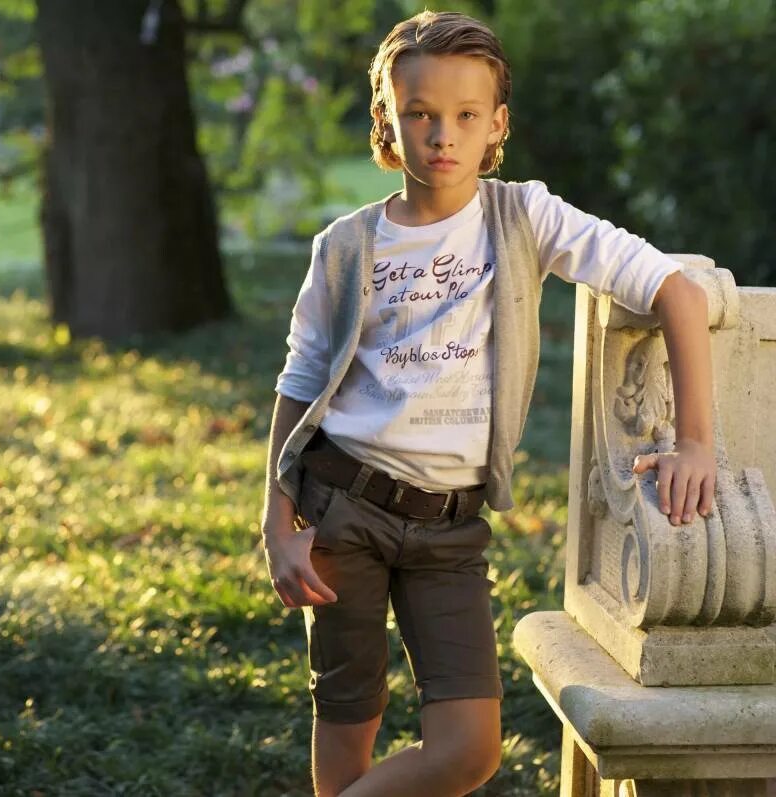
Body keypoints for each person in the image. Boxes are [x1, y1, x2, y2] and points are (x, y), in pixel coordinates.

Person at [260, 10, 717, 797]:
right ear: (387, 121)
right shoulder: (344, 246)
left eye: (466, 116)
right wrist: (277, 527)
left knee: (470, 748)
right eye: (421, 114)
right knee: (346, 730)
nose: (443, 135)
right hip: (342, 507)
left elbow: (671, 288)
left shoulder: (523, 218)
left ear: (495, 124)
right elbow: (300, 383)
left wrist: (698, 443)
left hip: (450, 529)